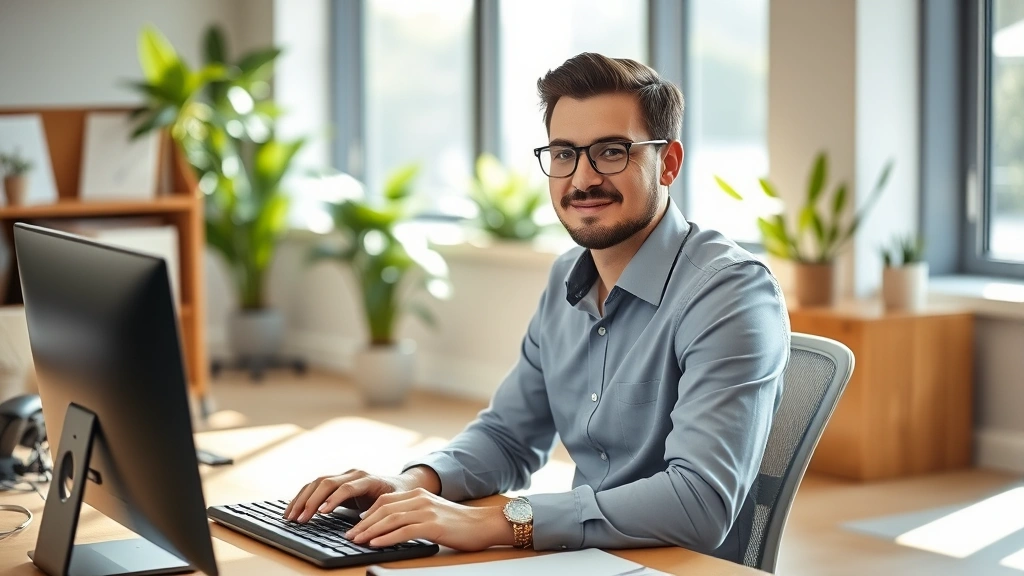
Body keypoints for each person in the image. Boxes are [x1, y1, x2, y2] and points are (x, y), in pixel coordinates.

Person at [284, 52, 790, 562]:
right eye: (564, 153)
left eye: (611, 152)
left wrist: (499, 521)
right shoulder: (566, 278)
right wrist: (413, 481)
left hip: (676, 565)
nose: (582, 179)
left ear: (669, 163)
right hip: (580, 558)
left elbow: (698, 504)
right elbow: (509, 436)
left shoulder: (730, 294)